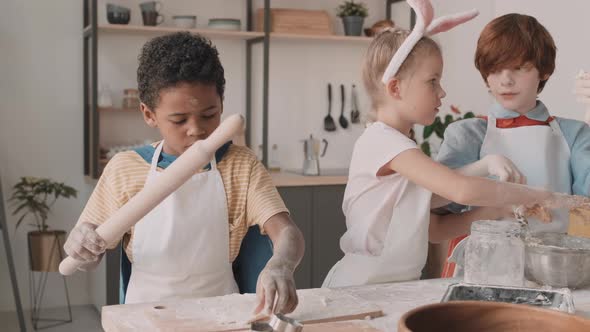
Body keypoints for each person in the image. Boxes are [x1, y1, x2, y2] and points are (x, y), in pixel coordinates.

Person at [322, 1, 564, 288]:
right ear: (396, 87)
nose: (442, 91)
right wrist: (531, 194)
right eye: (432, 81)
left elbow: (435, 225)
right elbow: (457, 189)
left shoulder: (401, 146)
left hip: (395, 285)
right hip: (359, 286)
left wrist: (494, 197)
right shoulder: (382, 141)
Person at [63, 32, 304, 315]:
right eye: (179, 119)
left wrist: (280, 265)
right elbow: (91, 255)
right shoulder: (125, 169)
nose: (196, 129)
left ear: (222, 105)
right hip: (146, 318)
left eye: (209, 114)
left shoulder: (240, 166)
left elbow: (288, 233)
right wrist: (82, 245)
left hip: (221, 316)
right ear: (149, 114)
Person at [437, 14, 590, 277]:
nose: (505, 80)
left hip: (552, 271)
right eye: (495, 69)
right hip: (483, 269)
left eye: (519, 67)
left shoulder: (574, 134)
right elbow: (438, 206)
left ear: (544, 70)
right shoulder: (468, 133)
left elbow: (586, 198)